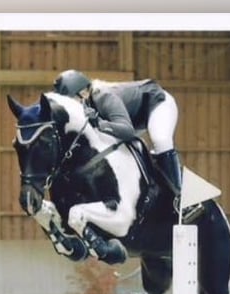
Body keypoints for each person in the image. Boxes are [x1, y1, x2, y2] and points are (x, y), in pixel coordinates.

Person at [52, 69, 184, 207]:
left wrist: (100, 124)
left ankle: (178, 197)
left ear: (84, 92)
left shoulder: (104, 97)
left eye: (71, 101)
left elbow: (128, 132)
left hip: (156, 103)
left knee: (161, 140)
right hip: (134, 117)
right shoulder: (86, 105)